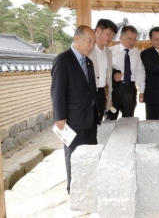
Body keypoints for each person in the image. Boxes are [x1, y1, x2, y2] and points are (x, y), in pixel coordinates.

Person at [51, 25, 100, 194]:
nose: (91, 45)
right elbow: (57, 91)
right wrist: (60, 117)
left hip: (90, 118)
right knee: (73, 156)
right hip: (71, 119)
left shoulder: (88, 61)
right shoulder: (62, 60)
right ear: (77, 38)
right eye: (89, 41)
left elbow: (91, 90)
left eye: (94, 42)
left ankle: (89, 186)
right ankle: (74, 190)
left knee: (90, 154)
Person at [109, 25, 145, 119]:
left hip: (130, 88)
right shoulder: (111, 51)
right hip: (115, 88)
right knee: (111, 118)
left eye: (134, 39)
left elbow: (140, 73)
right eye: (129, 38)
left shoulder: (137, 53)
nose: (132, 42)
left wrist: (142, 91)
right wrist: (113, 74)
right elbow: (106, 70)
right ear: (121, 37)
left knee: (128, 119)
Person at [88, 19, 118, 121]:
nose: (111, 38)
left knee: (100, 123)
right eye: (109, 34)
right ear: (98, 31)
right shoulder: (87, 50)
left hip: (102, 93)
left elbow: (108, 78)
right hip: (89, 93)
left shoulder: (108, 52)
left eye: (113, 35)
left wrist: (109, 98)